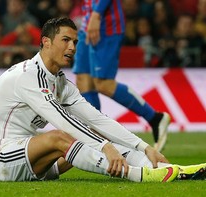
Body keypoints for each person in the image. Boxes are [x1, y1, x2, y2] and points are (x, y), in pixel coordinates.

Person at [0, 17, 206, 182]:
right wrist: (107, 148)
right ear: (46, 42)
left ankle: (163, 168)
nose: (72, 47)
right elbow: (62, 121)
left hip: (34, 162)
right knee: (64, 136)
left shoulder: (60, 82)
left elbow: (97, 119)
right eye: (66, 40)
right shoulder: (28, 77)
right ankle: (138, 175)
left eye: (75, 41)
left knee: (94, 133)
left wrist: (145, 147)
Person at [72, 0, 170, 152]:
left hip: (106, 25)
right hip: (88, 21)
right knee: (84, 80)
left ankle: (155, 118)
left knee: (103, 84)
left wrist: (96, 15)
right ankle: (96, 137)